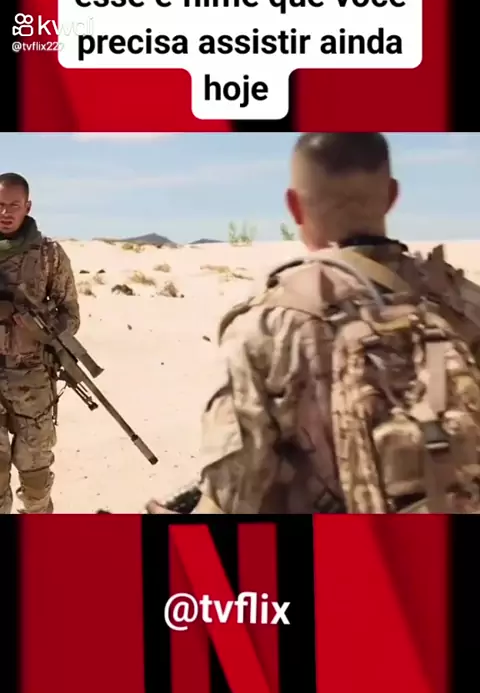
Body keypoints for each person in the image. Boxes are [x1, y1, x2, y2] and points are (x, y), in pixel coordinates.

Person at [146, 133, 480, 515]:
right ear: (391, 195)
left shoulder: (269, 323)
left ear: (294, 206)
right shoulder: (462, 302)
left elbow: (233, 495)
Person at [0, 172, 80, 514]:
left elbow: (70, 314)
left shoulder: (49, 254)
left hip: (32, 382)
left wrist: (42, 331)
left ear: (27, 206)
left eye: (13, 205)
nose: (5, 212)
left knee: (35, 480)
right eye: (0, 205)